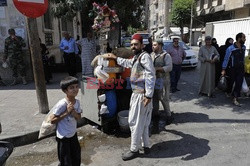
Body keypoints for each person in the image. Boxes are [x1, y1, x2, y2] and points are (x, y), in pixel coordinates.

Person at [106, 34, 156, 161]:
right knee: (144, 123)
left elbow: (151, 75)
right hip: (140, 94)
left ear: (142, 45)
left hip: (141, 95)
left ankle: (134, 149)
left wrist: (148, 95)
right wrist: (115, 58)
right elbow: (127, 62)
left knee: (134, 122)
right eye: (132, 44)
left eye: (136, 44)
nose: (133, 46)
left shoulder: (145, 57)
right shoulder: (137, 57)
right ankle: (146, 146)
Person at [50, 76, 82, 166]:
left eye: (76, 86)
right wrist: (66, 112)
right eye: (71, 88)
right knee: (65, 160)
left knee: (76, 157)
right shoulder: (62, 104)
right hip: (63, 137)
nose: (75, 89)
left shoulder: (77, 102)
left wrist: (73, 112)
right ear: (65, 91)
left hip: (73, 134)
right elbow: (52, 120)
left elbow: (79, 117)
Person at [151, 39, 173, 122]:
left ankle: (168, 116)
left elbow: (169, 67)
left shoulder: (166, 55)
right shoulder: (151, 55)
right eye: (153, 45)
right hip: (154, 80)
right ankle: (155, 114)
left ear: (160, 45)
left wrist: (157, 69)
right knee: (154, 98)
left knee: (164, 98)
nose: (153, 46)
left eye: (155, 45)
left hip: (163, 80)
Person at [222, 33, 246, 106]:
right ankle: (229, 92)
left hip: (241, 68)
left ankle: (235, 98)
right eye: (244, 37)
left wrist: (244, 66)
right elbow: (226, 59)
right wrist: (223, 69)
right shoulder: (231, 48)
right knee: (231, 82)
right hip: (232, 68)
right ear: (239, 38)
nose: (245, 39)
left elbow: (243, 58)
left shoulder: (244, 47)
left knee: (239, 83)